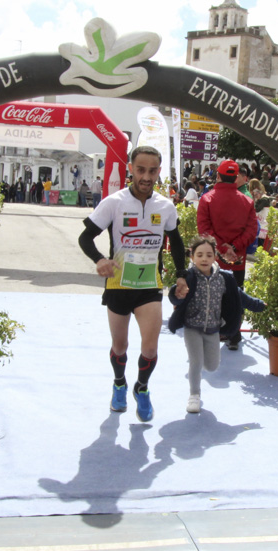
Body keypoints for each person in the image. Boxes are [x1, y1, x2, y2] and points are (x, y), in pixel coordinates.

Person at [77, 146, 189, 423]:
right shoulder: (113, 202)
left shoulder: (165, 205)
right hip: (118, 285)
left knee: (150, 349)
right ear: (130, 168)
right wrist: (100, 259)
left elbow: (175, 241)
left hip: (149, 285)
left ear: (159, 171)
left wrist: (181, 275)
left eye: (152, 171)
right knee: (120, 346)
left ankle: (142, 387)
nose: (146, 176)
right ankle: (119, 384)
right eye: (141, 170)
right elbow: (85, 238)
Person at [167, 235, 266, 413]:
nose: (204, 259)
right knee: (196, 362)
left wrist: (260, 305)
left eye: (208, 254)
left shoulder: (224, 279)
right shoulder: (188, 277)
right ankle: (194, 395)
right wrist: (177, 293)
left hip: (213, 329)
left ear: (215, 256)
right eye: (199, 255)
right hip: (192, 327)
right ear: (192, 257)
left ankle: (201, 367)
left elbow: (241, 298)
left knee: (211, 366)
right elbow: (175, 295)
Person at [196, 160, 258, 351]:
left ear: (218, 176)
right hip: (237, 258)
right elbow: (252, 229)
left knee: (210, 295)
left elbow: (204, 230)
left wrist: (222, 248)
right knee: (237, 295)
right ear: (237, 177)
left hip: (213, 258)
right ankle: (234, 335)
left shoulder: (207, 199)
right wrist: (234, 246)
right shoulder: (247, 201)